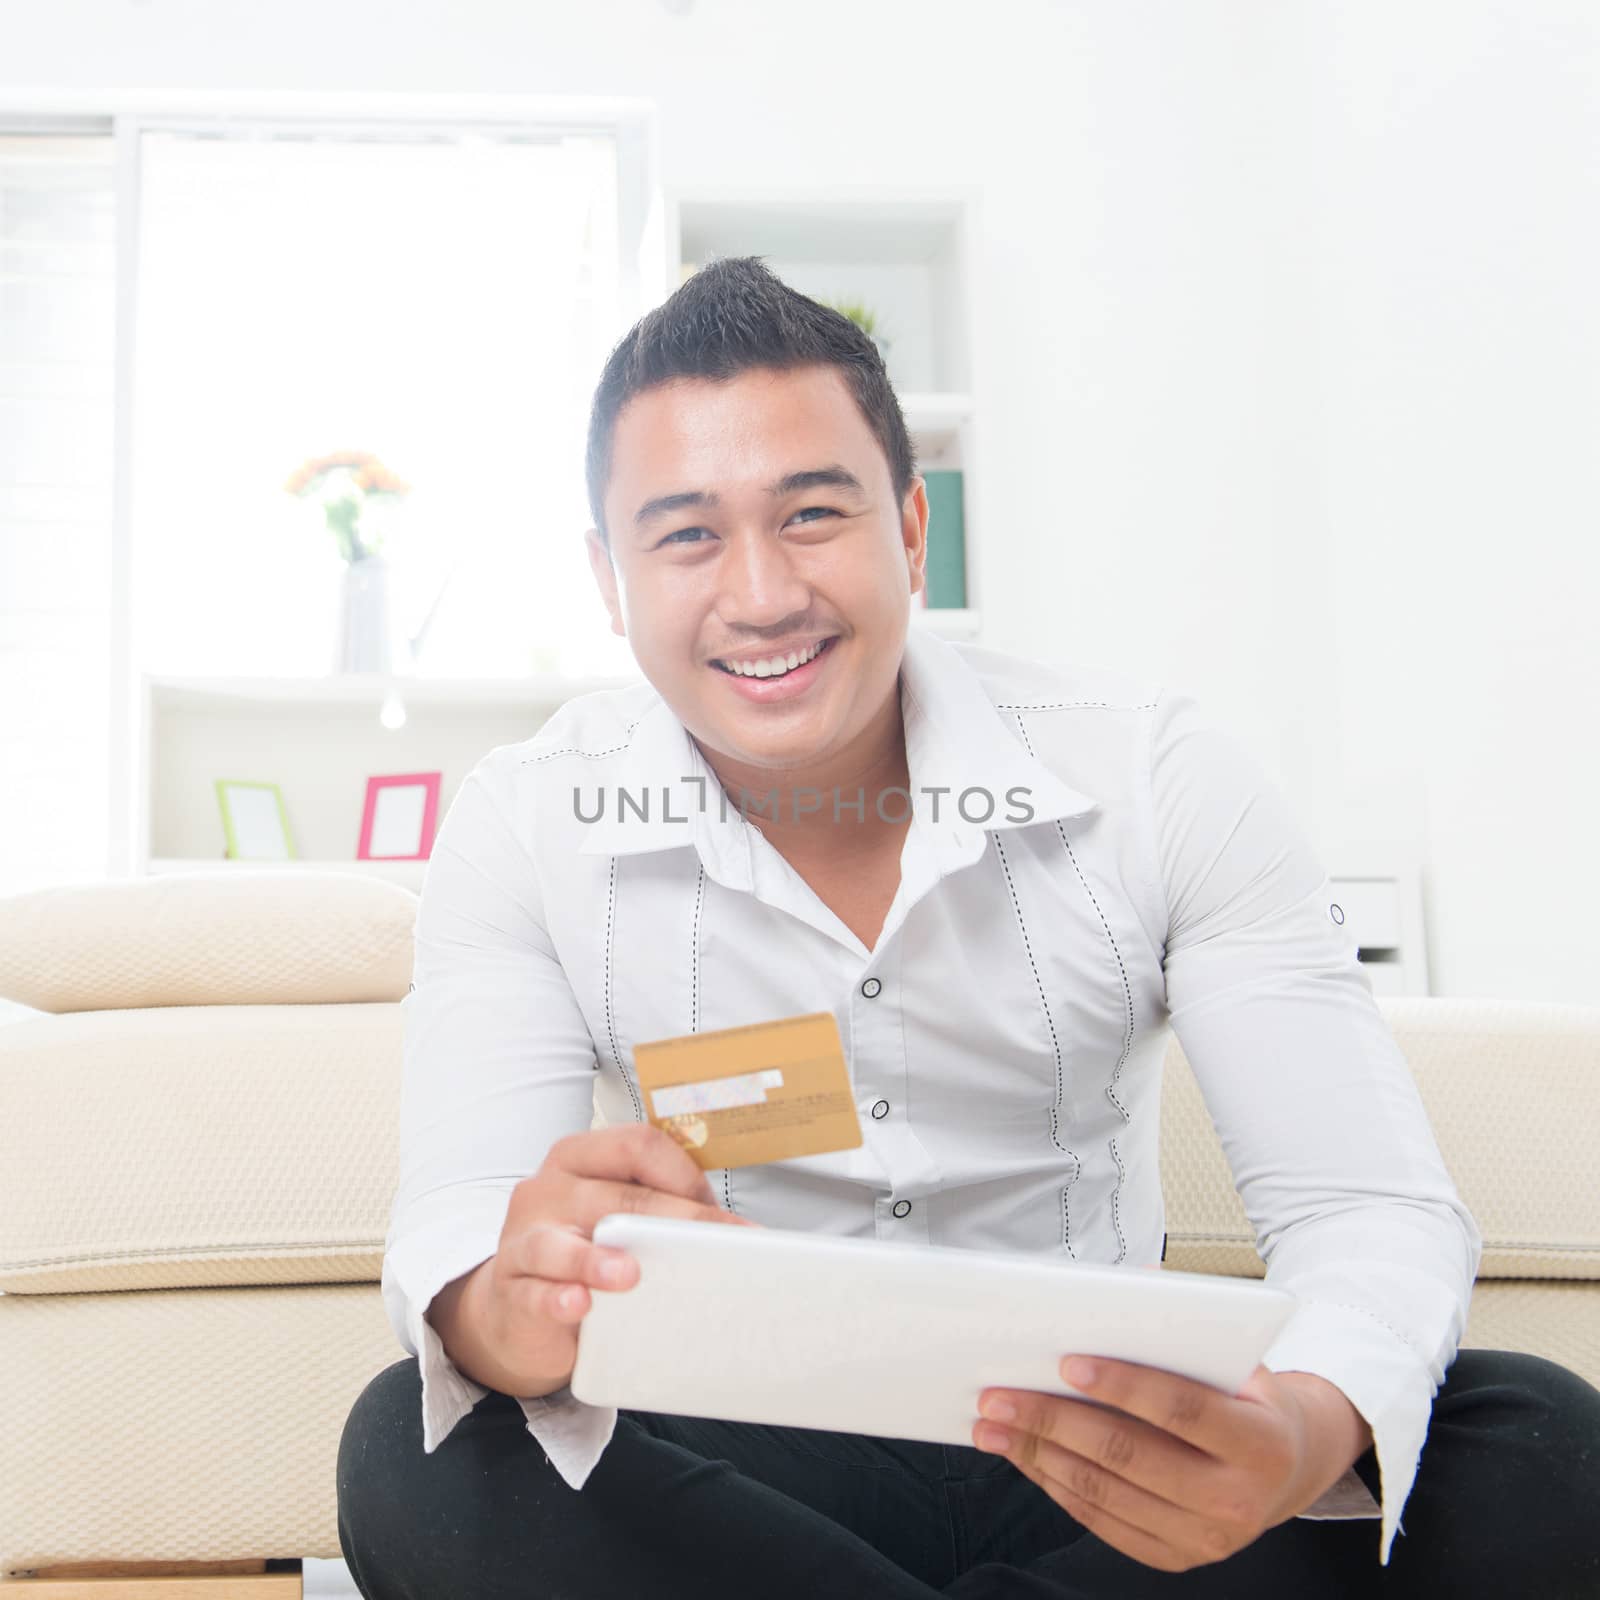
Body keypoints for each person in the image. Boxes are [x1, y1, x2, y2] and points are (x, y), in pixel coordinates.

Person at [336, 257, 1600, 1598]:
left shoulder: (1156, 778)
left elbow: (1362, 1206)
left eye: (813, 513)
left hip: (1106, 1452)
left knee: (1535, 1447)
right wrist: (508, 1307)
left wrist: (1296, 1431)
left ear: (911, 529)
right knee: (413, 1456)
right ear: (610, 578)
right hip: (754, 1452)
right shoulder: (529, 823)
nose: (762, 594)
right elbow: (465, 1220)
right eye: (688, 534)